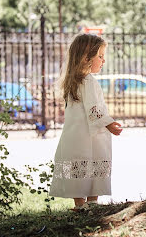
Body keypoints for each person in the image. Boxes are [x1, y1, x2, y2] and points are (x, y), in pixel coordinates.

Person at [49, 34, 122, 211]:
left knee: (77, 166)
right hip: (91, 136)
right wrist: (109, 123)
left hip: (74, 135)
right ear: (86, 58)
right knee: (95, 162)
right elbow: (94, 109)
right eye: (100, 56)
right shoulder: (89, 82)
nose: (103, 60)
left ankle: (80, 203)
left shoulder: (72, 82)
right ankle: (91, 202)